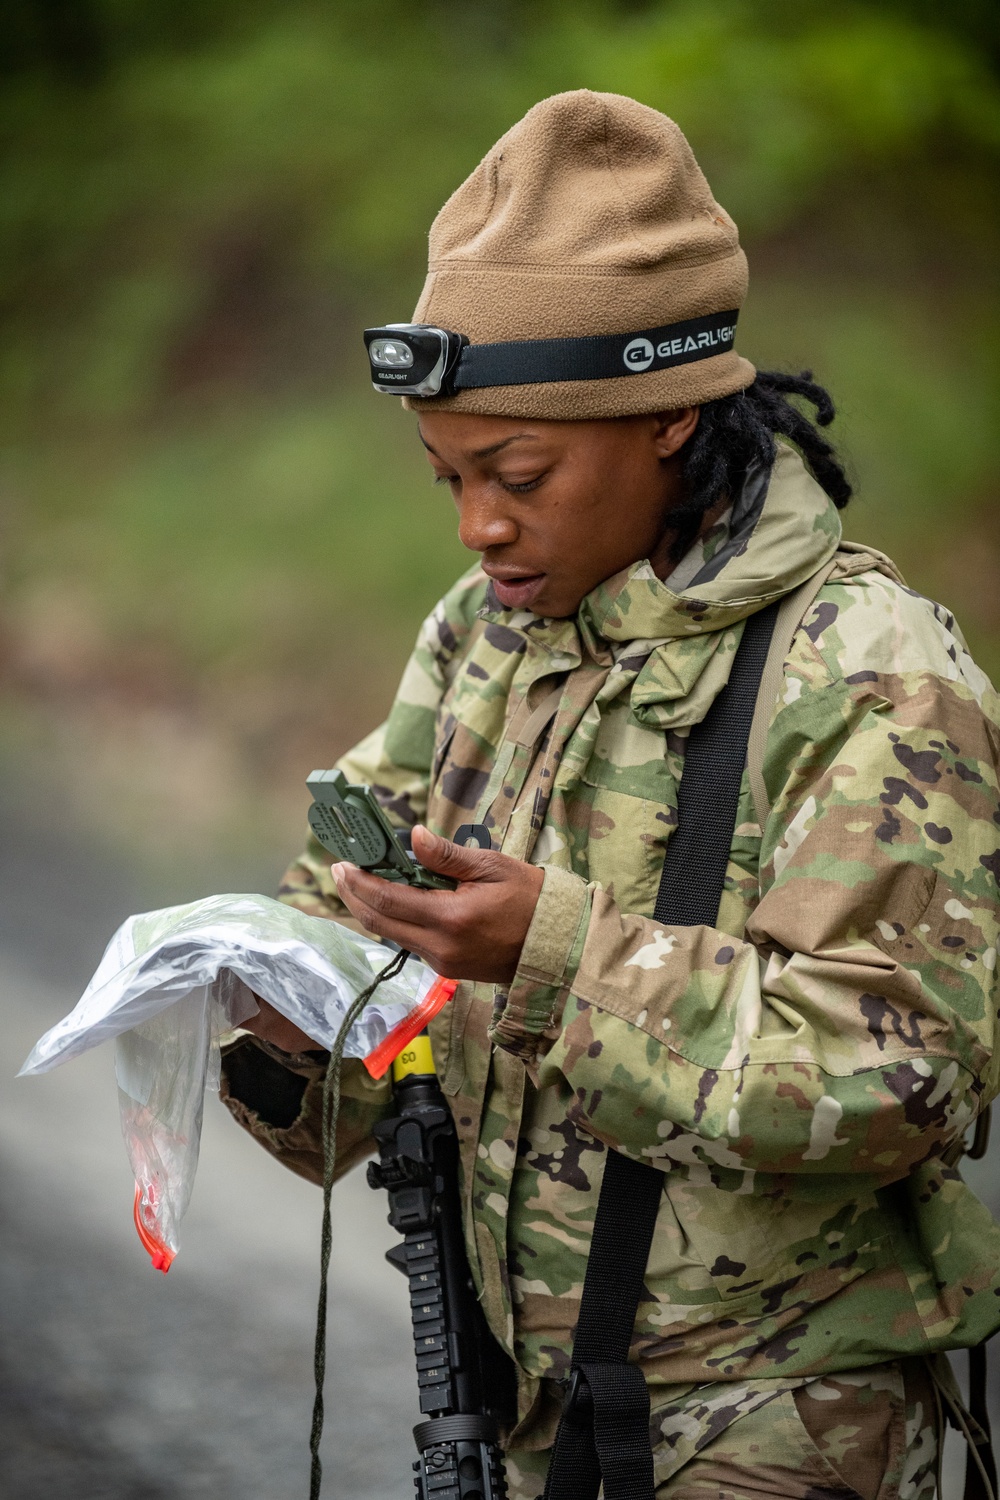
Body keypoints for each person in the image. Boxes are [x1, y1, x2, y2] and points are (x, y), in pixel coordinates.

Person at [219, 91, 1000, 1499]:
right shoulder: (487, 630)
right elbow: (361, 930)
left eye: (516, 474)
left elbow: (900, 1081)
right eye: (445, 477)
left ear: (669, 417)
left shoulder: (869, 670)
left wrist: (555, 956)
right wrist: (275, 1007)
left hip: (775, 1420)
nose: (478, 528)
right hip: (518, 1398)